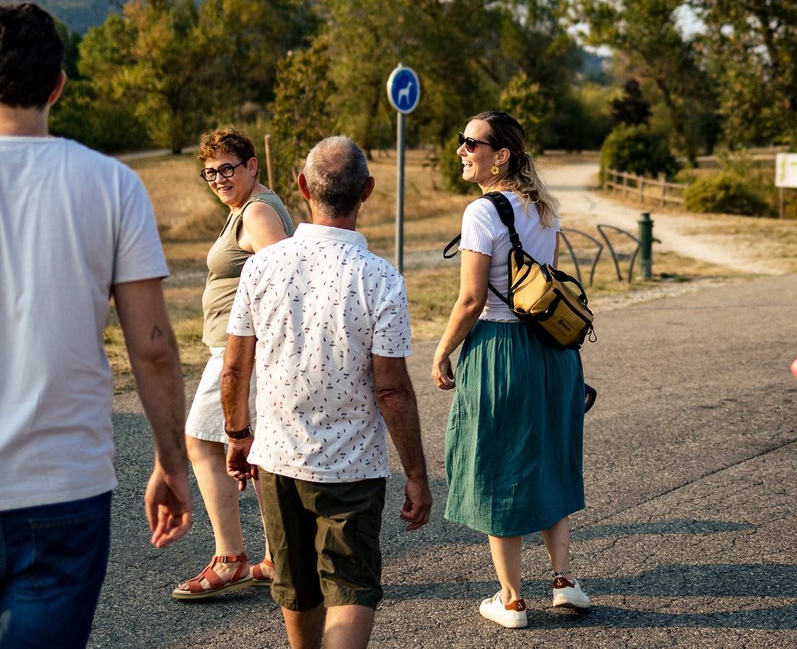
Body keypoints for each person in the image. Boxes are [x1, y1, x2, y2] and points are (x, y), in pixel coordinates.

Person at [0, 2, 192, 647]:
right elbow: (155, 346)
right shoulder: (111, 184)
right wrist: (172, 462)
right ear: (58, 84)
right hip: (63, 486)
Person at [223, 135, 432, 648]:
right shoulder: (381, 279)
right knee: (351, 586)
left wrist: (237, 434)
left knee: (296, 586)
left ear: (300, 188)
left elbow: (234, 367)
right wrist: (417, 473)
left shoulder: (261, 267)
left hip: (277, 458)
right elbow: (393, 392)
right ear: (367, 190)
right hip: (352, 467)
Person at [431, 111, 590, 629]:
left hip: (501, 350)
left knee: (499, 466)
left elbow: (473, 298)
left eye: (470, 142)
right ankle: (563, 580)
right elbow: (548, 284)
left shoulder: (481, 213)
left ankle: (511, 599)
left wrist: (442, 350)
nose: (461, 149)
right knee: (546, 457)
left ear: (501, 155)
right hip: (553, 352)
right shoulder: (544, 209)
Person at [173, 128, 294, 600]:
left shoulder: (259, 212)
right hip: (244, 349)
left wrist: (257, 348)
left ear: (251, 166)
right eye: (210, 172)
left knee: (200, 440)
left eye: (228, 168)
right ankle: (276, 557)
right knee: (260, 454)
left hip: (242, 351)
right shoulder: (248, 208)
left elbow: (283, 278)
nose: (219, 178)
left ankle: (230, 559)